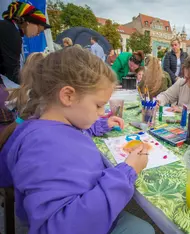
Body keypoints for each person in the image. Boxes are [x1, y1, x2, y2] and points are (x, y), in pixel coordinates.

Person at [0, 46, 154, 234]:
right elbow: (60, 226)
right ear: (68, 96)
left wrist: (101, 125)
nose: (101, 113)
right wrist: (127, 173)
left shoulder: (48, 124)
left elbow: (75, 133)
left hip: (88, 204)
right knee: (143, 229)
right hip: (84, 219)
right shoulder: (46, 148)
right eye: (98, 105)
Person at [0, 1, 51, 133]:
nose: (38, 33)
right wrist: (35, 81)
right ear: (29, 22)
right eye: (39, 28)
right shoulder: (10, 32)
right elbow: (12, 70)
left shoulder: (7, 28)